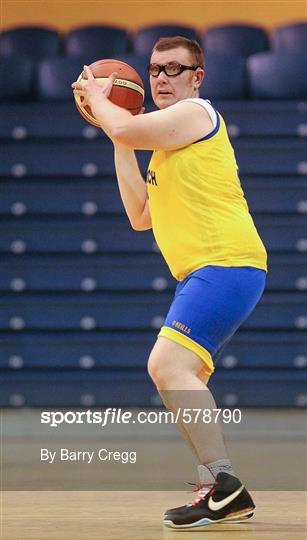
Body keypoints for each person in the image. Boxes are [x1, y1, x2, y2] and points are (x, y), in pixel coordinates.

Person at [72, 36, 267, 530]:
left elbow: (129, 126)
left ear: (197, 78)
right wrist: (117, 135)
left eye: (174, 69)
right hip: (206, 272)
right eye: (155, 69)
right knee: (178, 376)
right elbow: (140, 215)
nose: (160, 77)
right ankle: (219, 489)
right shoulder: (162, 147)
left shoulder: (197, 114)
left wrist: (99, 98)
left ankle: (223, 484)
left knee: (166, 364)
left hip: (226, 264)